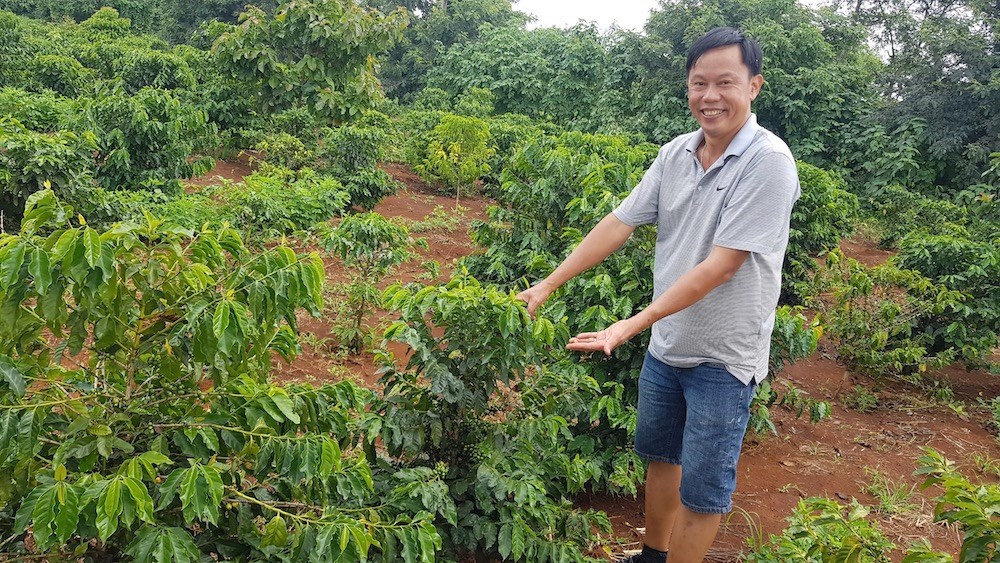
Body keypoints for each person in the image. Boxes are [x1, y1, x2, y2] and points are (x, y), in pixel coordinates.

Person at [515, 27, 800, 563]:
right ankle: (652, 554)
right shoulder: (676, 153)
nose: (709, 96)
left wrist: (631, 323)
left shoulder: (769, 162)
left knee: (704, 487)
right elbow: (619, 222)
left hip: (725, 354)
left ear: (754, 86)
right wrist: (548, 284)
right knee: (661, 458)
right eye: (699, 83)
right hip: (669, 344)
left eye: (725, 83)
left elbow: (721, 266)